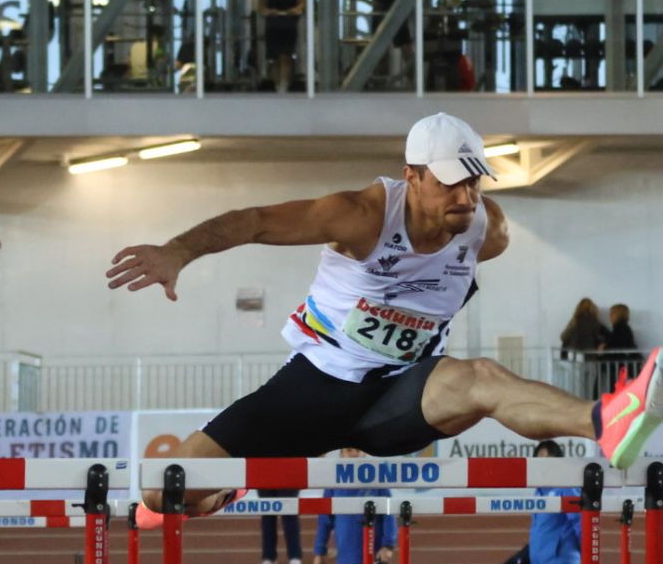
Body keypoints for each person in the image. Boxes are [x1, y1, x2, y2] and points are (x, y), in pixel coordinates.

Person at [106, 112, 663, 519]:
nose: (465, 196)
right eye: (450, 181)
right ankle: (231, 489)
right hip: (316, 386)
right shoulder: (360, 216)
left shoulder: (486, 230)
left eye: (473, 179)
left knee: (482, 378)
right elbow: (254, 220)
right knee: (164, 490)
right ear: (413, 175)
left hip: (401, 394)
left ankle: (607, 420)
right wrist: (177, 250)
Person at [256, 0, 305, 93]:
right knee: (274, 58)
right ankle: (277, 86)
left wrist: (295, 10)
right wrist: (268, 11)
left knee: (286, 56)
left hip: (289, 25)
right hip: (273, 25)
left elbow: (302, 3)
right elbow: (261, 5)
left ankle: (284, 86)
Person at [257, 488, 302, 564]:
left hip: (288, 477)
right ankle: (268, 557)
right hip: (265, 478)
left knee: (289, 514)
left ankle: (294, 556)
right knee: (267, 515)